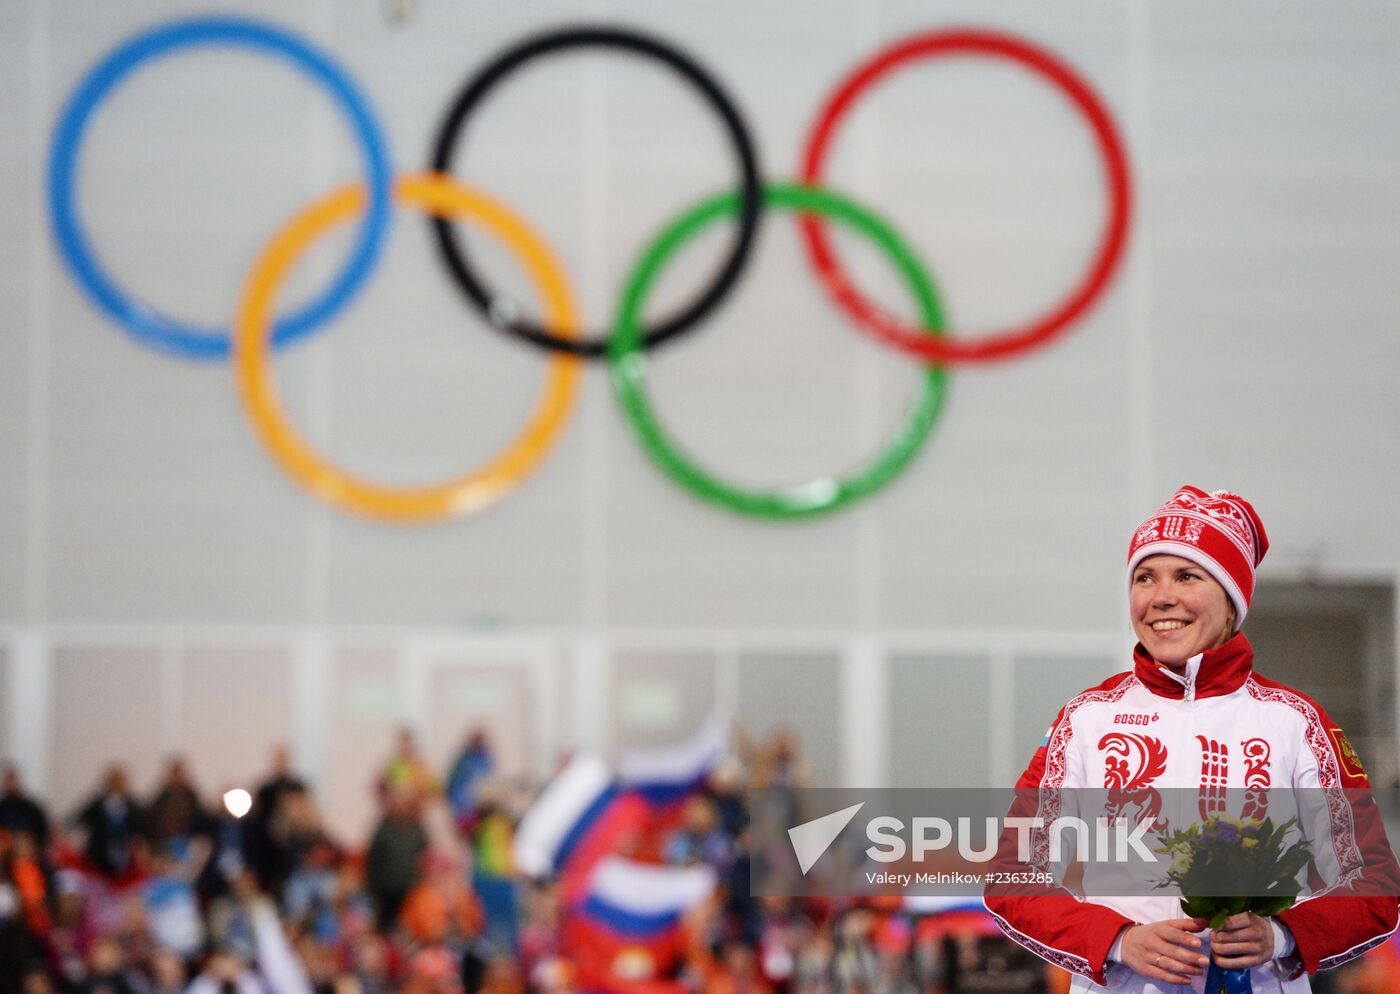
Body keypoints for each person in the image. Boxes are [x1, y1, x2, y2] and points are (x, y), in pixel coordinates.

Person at [985, 486, 1400, 992]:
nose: (1160, 597)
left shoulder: (1297, 723)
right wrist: (1118, 940)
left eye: (1187, 575)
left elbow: (1374, 885)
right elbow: (1013, 876)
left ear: (1232, 601)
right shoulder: (1086, 721)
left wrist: (1282, 935)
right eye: (1144, 577)